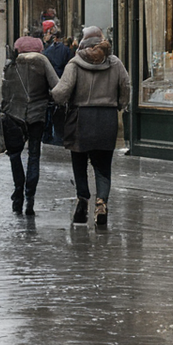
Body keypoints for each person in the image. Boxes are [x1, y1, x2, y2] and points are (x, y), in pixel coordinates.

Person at [51, 26, 129, 227]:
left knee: (79, 163)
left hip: (80, 118)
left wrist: (53, 95)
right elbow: (125, 85)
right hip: (107, 118)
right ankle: (101, 203)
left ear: (83, 42)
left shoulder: (75, 63)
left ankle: (82, 201)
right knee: (103, 166)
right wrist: (120, 104)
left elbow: (61, 93)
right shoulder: (115, 63)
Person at [0, 36, 59, 215]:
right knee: (34, 155)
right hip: (36, 115)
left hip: (13, 114)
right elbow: (56, 86)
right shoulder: (42, 61)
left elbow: (4, 91)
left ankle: (18, 193)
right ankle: (30, 197)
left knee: (14, 155)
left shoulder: (11, 64)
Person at [42, 22, 74, 146]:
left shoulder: (46, 51)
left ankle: (47, 135)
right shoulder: (66, 50)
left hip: (49, 82)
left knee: (49, 109)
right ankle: (59, 135)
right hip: (61, 80)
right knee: (60, 109)